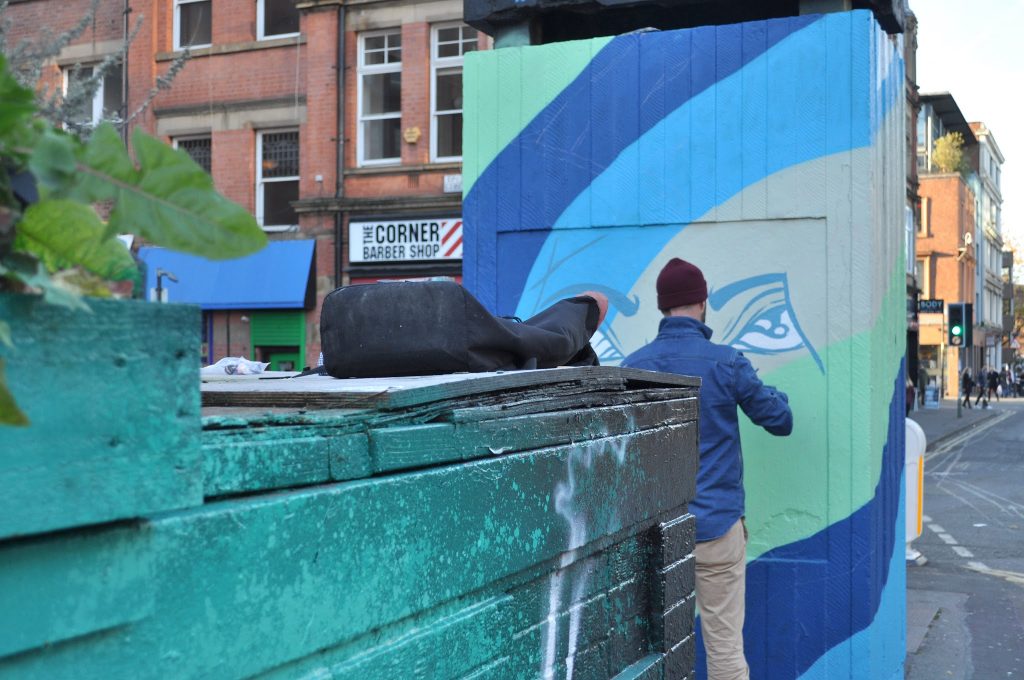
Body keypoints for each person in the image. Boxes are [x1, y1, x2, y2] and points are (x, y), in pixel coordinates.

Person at [622, 258, 793, 680]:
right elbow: (780, 421)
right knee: (725, 651)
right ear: (702, 302)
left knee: (656, 654)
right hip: (717, 528)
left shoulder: (633, 366)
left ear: (663, 307)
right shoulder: (727, 363)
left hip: (658, 538)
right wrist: (776, 394)